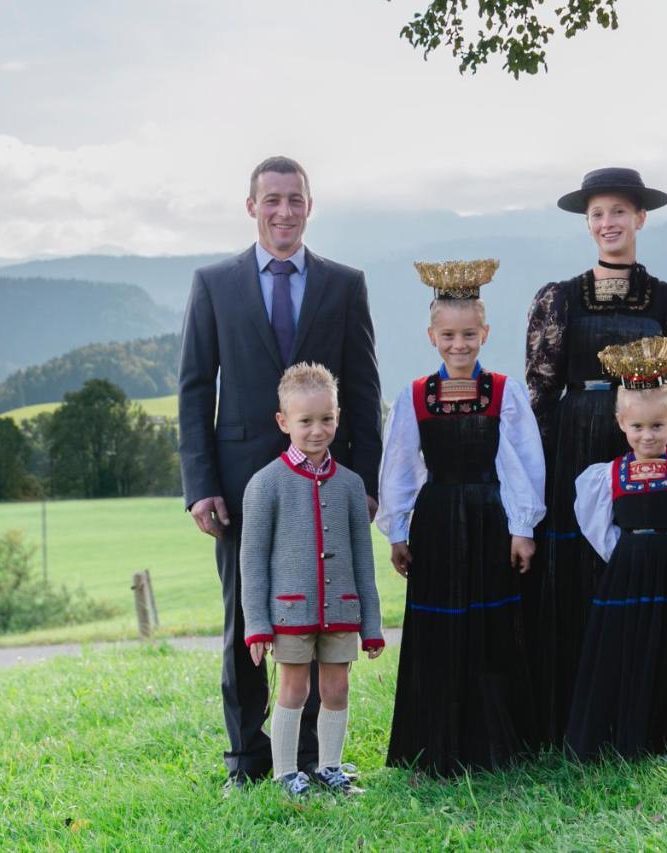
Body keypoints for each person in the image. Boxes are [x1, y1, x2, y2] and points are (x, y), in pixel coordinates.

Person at [177, 156, 383, 793]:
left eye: (295, 199)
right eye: (272, 200)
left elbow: (366, 386)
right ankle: (247, 758)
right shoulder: (214, 284)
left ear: (310, 205)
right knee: (246, 618)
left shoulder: (344, 285)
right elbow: (191, 388)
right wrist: (200, 484)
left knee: (320, 616)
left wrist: (367, 479)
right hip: (241, 486)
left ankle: (318, 760)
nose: (284, 212)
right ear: (251, 206)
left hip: (327, 479)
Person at [522, 167, 667, 744]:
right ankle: (573, 720)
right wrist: (537, 481)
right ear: (587, 221)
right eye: (598, 213)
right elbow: (540, 395)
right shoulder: (556, 300)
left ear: (641, 218)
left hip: (650, 451)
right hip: (574, 446)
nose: (608, 223)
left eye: (619, 211)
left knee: (638, 573)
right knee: (574, 574)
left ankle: (643, 717)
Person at [377, 260, 545, 775]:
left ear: (485, 333)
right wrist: (398, 530)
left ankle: (494, 742)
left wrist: (522, 528)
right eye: (448, 334)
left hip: (490, 517)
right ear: (431, 335)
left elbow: (521, 463)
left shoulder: (504, 391)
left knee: (492, 627)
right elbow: (400, 466)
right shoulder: (414, 397)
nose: (459, 344)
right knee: (439, 631)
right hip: (438, 520)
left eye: (469, 334)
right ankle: (435, 742)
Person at [566, 336, 667, 761]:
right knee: (626, 648)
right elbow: (601, 532)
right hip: (626, 572)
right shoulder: (607, 476)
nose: (647, 435)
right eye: (637, 427)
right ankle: (623, 737)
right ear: (621, 423)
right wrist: (629, 555)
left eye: (656, 426)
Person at [241, 363, 384, 797]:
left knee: (336, 688)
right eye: (305, 421)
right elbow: (252, 559)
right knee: (294, 688)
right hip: (290, 610)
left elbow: (363, 559)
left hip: (341, 607)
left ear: (338, 417)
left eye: (326, 419)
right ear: (284, 422)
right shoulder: (266, 485)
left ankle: (330, 767)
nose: (317, 430)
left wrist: (372, 625)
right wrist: (257, 625)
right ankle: (286, 772)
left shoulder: (351, 486)